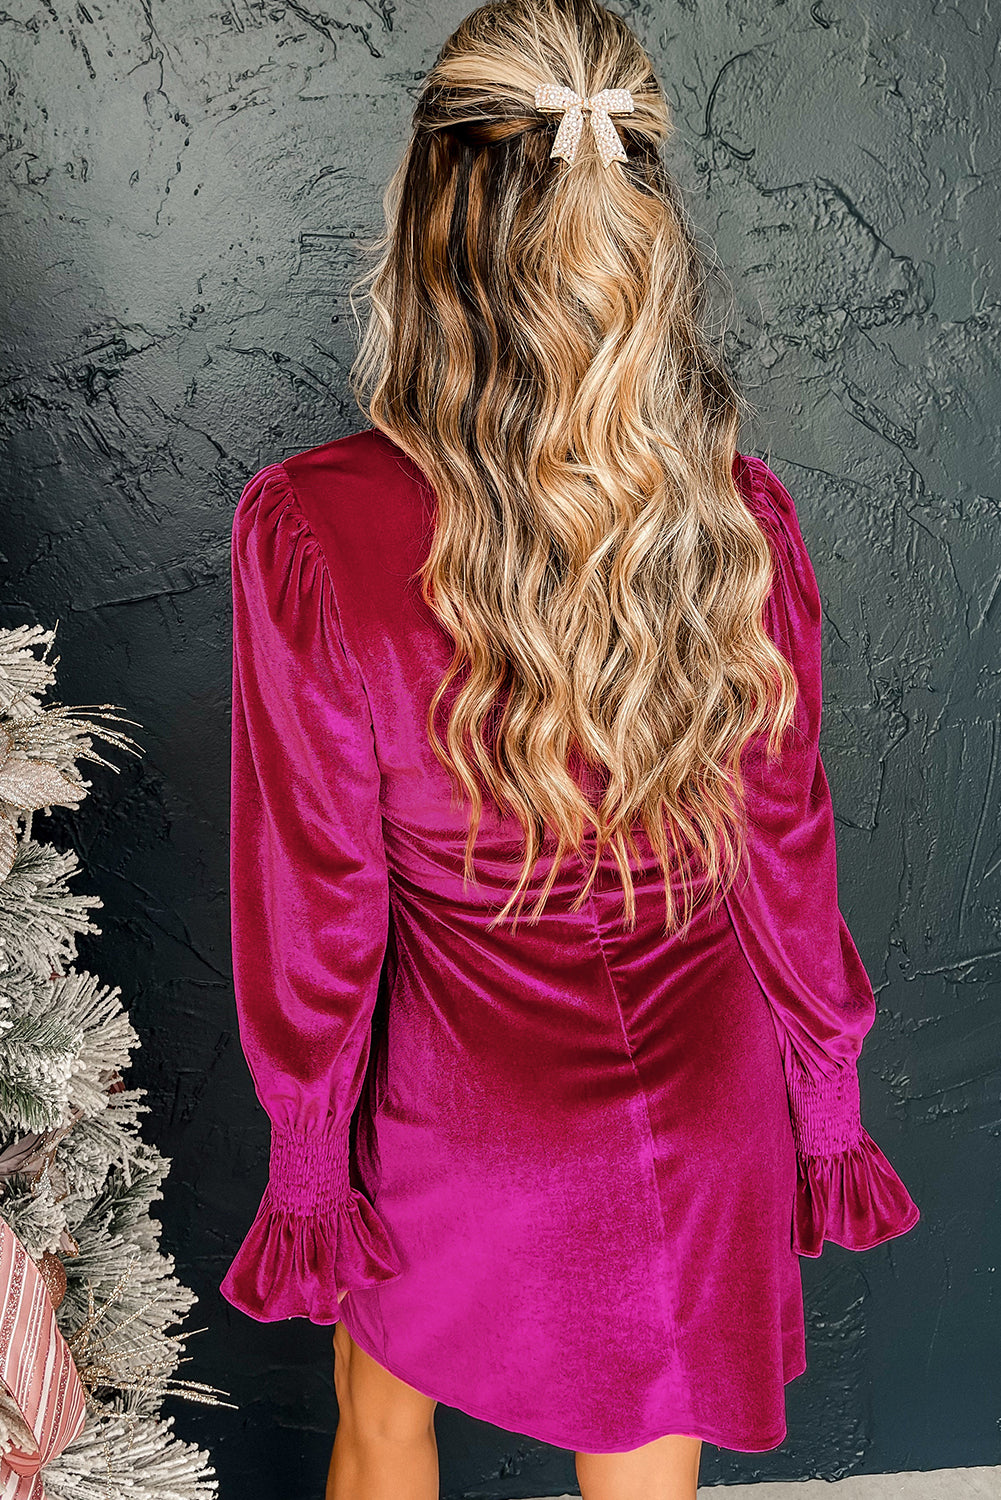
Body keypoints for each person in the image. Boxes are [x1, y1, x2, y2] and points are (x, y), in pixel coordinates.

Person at [218, 2, 921, 1497]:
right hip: (706, 1102)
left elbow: (320, 905)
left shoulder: (313, 529)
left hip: (459, 1117)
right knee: (645, 1455)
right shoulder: (740, 519)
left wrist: (309, 1163)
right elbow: (786, 859)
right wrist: (823, 1107)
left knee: (380, 1421)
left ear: (428, 213)